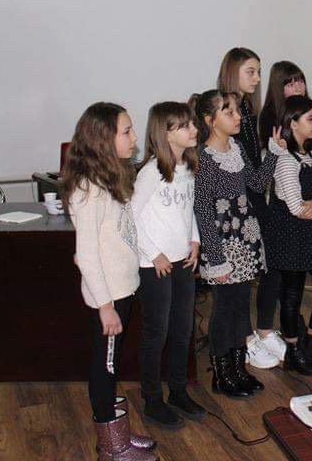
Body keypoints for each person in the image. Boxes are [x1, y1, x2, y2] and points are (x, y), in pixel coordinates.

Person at [61, 102, 157, 461]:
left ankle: (120, 435)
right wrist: (105, 307)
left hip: (122, 289)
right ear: (104, 138)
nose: (134, 138)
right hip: (110, 297)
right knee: (105, 369)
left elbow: (120, 235)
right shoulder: (88, 189)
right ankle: (112, 448)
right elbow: (87, 255)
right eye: (126, 132)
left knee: (111, 366)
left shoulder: (110, 178)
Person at [191, 89, 284, 399]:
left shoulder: (238, 148)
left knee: (242, 306)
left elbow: (256, 183)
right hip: (221, 243)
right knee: (224, 308)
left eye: (237, 111)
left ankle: (238, 367)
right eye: (228, 112)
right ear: (210, 120)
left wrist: (273, 154)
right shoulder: (203, 158)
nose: (237, 117)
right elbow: (203, 211)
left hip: (245, 237)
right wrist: (216, 258)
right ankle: (222, 374)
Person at [131, 102, 207, 429]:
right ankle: (152, 399)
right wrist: (154, 253)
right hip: (155, 265)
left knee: (182, 328)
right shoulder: (151, 172)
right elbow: (130, 217)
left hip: (182, 260)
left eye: (192, 123)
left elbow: (187, 212)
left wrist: (195, 240)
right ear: (166, 133)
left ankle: (177, 391)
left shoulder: (187, 168)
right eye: (185, 125)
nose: (194, 130)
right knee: (156, 332)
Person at [217, 47, 286, 367]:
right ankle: (245, 340)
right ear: (232, 72)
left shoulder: (247, 111)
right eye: (251, 71)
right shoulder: (228, 113)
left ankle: (259, 333)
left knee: (264, 268)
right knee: (239, 278)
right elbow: (247, 176)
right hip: (237, 207)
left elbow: (254, 176)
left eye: (259, 71)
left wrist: (271, 154)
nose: (258, 79)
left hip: (253, 198)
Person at [267, 95, 312, 375]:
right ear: (293, 123)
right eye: (310, 119)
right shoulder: (286, 160)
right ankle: (293, 351)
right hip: (290, 237)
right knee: (292, 296)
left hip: (310, 236)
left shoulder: (311, 155)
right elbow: (297, 208)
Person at [259, 60, 310, 145]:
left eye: (301, 81)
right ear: (279, 89)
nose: (298, 89)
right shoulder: (268, 117)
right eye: (291, 85)